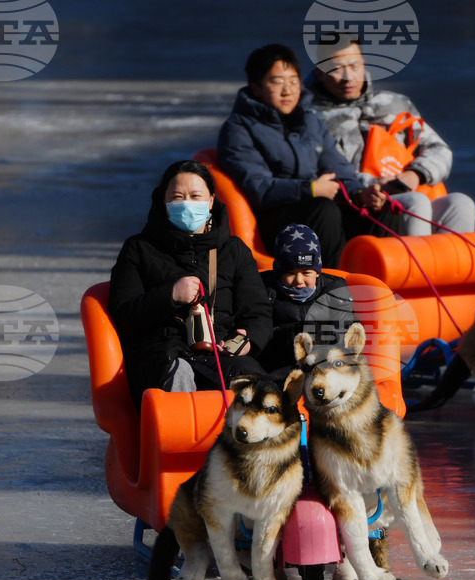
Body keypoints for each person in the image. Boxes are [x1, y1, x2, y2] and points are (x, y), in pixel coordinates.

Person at [217, 43, 406, 269]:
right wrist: (310, 189)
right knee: (323, 209)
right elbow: (259, 188)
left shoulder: (310, 121)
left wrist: (359, 194)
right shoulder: (239, 128)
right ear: (256, 87)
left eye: (293, 81)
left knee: (383, 211)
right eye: (277, 82)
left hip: (318, 214)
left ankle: (385, 287)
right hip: (273, 223)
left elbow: (338, 167)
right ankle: (337, 289)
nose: (287, 90)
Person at [109, 160, 272, 409]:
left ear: (211, 201)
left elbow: (258, 312)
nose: (187, 204)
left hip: (220, 352)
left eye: (196, 196)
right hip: (162, 353)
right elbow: (123, 314)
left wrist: (247, 340)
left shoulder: (234, 250)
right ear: (163, 202)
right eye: (177, 197)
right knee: (178, 374)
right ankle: (178, 445)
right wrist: (170, 295)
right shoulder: (139, 249)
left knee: (252, 383)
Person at [304, 37, 475, 236]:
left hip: (410, 190)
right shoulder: (312, 118)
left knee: (460, 204)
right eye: (336, 69)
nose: (348, 77)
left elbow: (439, 149)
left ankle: (456, 267)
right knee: (415, 202)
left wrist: (415, 174)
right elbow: (329, 174)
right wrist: (380, 185)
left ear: (363, 64)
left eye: (354, 66)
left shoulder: (393, 103)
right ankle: (415, 266)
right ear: (319, 72)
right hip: (360, 209)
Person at [257, 224, 358, 374]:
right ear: (279, 273)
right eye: (290, 272)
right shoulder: (266, 292)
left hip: (325, 369)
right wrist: (292, 335)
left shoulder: (334, 291)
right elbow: (259, 334)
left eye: (306, 273)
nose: (298, 280)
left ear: (317, 273)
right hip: (280, 368)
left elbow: (347, 330)